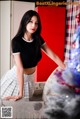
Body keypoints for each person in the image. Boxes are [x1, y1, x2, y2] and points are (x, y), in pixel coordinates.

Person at [1, 10, 65, 101]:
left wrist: (67, 70)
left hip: (30, 79)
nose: (33, 26)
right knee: (8, 110)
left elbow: (53, 56)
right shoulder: (16, 41)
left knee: (23, 110)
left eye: (36, 23)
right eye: (30, 22)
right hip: (16, 79)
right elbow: (20, 69)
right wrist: (20, 93)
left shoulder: (38, 38)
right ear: (24, 22)